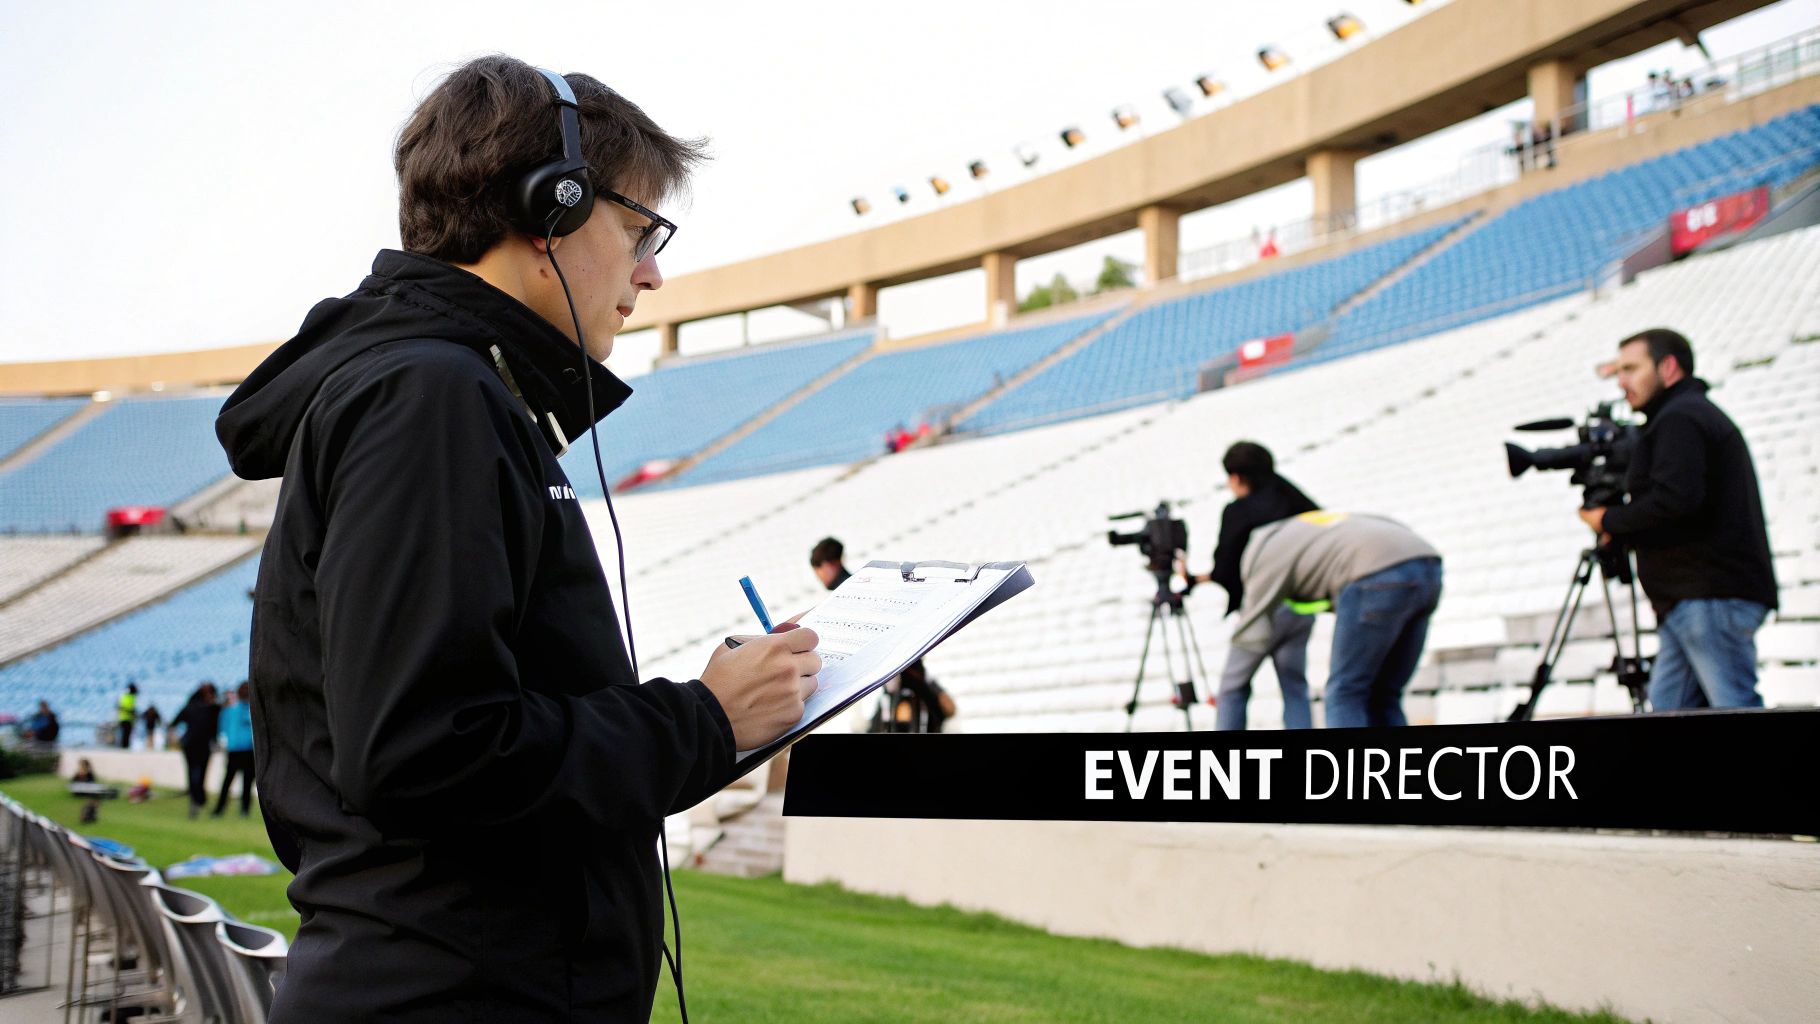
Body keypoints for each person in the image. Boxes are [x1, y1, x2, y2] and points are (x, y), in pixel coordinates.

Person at [213, 55, 818, 1022]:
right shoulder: (431, 399)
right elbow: (428, 751)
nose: (652, 273)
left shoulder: (449, 392)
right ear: (551, 207)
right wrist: (702, 719)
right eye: (637, 230)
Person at [1580, 329, 1777, 710]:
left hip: (1708, 598)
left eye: (1631, 369)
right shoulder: (1681, 416)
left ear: (1668, 367)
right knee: (1670, 713)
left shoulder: (1681, 418)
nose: (1622, 382)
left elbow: (1674, 502)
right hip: (1691, 602)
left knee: (1735, 708)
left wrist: (1609, 520)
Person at [1233, 511, 1442, 729]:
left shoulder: (1267, 552)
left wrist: (1235, 674)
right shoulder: (1306, 531)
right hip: (1428, 566)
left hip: (1373, 573)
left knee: (1345, 692)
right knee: (1385, 695)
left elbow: (1253, 622)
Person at [1185, 442, 1320, 730]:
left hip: (1263, 607)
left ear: (1236, 477)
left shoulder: (1239, 511)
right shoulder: (1294, 503)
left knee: (1233, 688)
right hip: (1300, 606)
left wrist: (1194, 577)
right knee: (1295, 688)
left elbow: (1227, 570)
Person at [813, 537, 956, 732]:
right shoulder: (860, 584)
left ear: (830, 565)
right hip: (897, 670)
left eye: (818, 570)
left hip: (897, 671)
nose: (818, 577)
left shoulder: (848, 590)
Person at [173, 683, 220, 820]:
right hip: (198, 745)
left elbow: (175, 722)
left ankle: (197, 799)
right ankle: (197, 799)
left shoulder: (195, 707)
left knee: (195, 774)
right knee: (197, 774)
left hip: (193, 744)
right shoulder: (211, 708)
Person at [213, 683, 255, 817]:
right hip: (243, 749)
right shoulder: (244, 710)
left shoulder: (231, 711)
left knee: (232, 781)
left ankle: (222, 809)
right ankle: (242, 810)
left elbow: (222, 729)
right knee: (243, 781)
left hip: (238, 749)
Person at [115, 682, 137, 749]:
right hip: (127, 718)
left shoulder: (124, 696)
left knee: (125, 734)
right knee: (126, 734)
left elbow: (119, 707)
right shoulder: (130, 697)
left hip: (123, 717)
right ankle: (124, 747)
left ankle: (124, 747)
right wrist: (131, 713)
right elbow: (129, 708)